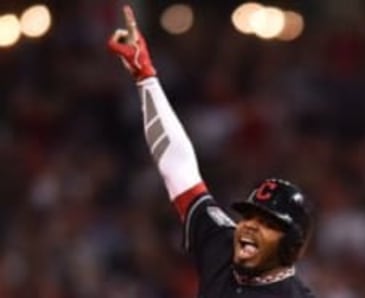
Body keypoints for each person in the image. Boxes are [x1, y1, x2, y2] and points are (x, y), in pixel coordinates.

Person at [107, 5, 315, 298]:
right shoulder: (221, 246)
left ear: (292, 246)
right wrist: (146, 78)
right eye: (250, 216)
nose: (251, 227)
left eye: (268, 224)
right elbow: (179, 171)